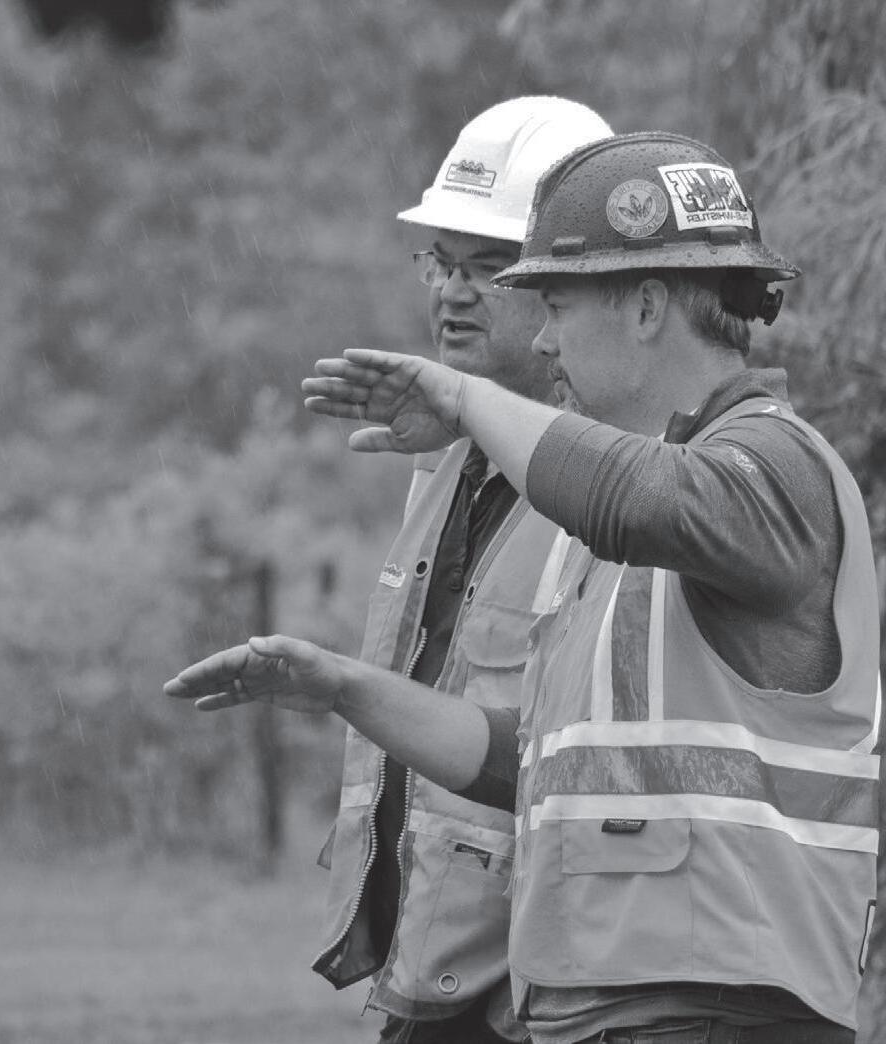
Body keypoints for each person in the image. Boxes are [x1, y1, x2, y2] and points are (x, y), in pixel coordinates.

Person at [166, 131, 877, 1044]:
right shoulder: (633, 524)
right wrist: (342, 686)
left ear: (646, 305)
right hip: (619, 1011)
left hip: (712, 1014)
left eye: (555, 306)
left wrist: (464, 399)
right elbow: (534, 763)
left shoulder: (769, 464)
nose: (541, 341)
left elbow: (639, 498)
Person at [307, 96, 610, 1044]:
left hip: (544, 982)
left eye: (487, 267)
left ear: (570, 288)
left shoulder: (615, 479)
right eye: (441, 262)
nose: (451, 292)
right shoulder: (443, 458)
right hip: (436, 961)